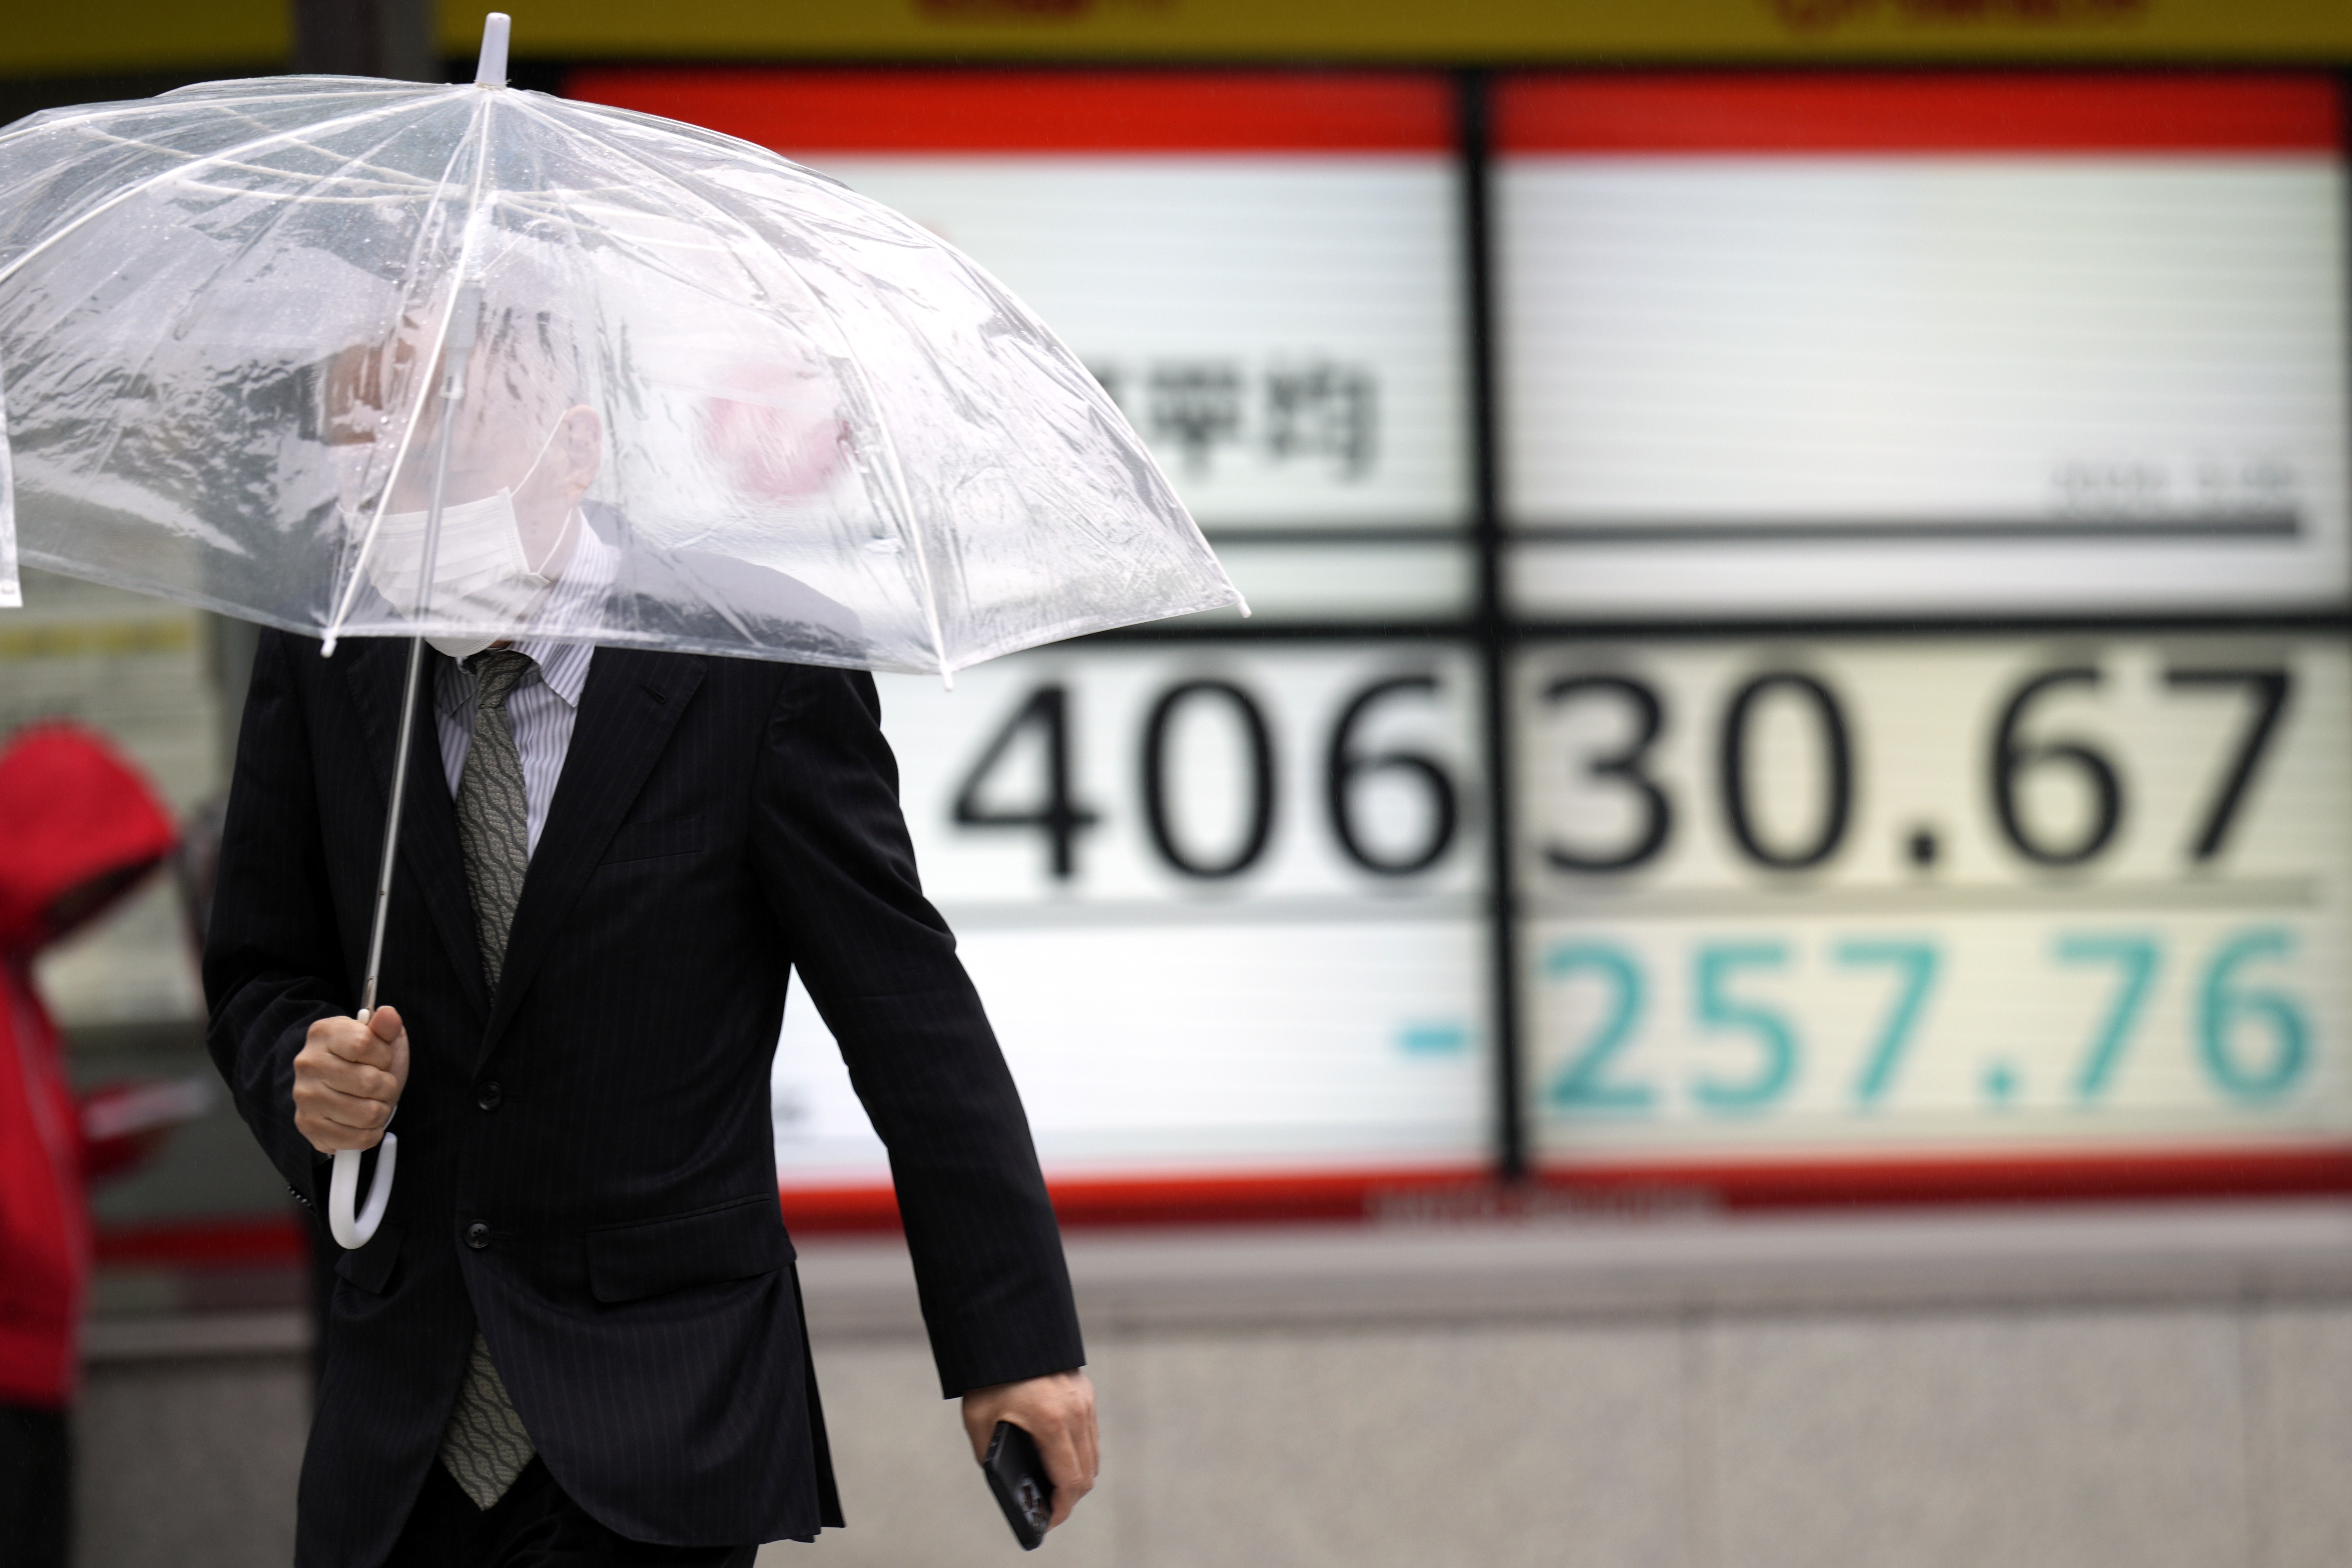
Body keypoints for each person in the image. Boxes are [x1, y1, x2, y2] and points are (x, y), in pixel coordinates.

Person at [205, 302, 1099, 1568]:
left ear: (573, 451)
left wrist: (1015, 1346)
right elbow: (257, 968)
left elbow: (907, 1018)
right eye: (368, 462)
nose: (397, 500)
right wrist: (301, 1068)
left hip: (660, 1422)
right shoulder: (330, 656)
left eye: (441, 455)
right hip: (399, 1443)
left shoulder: (751, 661)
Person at [0, 723, 180, 1568]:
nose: (85, 902)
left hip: (36, 1365)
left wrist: (102, 1134)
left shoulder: (20, 983)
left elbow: (29, 1145)